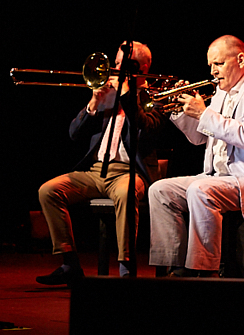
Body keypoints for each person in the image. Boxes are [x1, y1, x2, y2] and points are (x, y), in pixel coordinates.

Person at [147, 35, 244, 277]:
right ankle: (173, 267)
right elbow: (199, 137)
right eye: (210, 65)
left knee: (201, 191)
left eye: (219, 64)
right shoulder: (222, 91)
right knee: (161, 190)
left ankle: (205, 272)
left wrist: (203, 113)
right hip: (220, 177)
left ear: (241, 59)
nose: (213, 72)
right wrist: (181, 111)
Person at [36, 41, 164, 285]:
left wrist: (127, 96)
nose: (115, 70)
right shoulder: (107, 94)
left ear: (143, 68)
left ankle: (126, 268)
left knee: (126, 194)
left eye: (123, 65)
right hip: (95, 171)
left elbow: (146, 131)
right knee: (48, 191)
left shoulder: (156, 96)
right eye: (115, 64)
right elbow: (74, 134)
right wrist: (93, 104)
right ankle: (69, 263)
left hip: (130, 173)